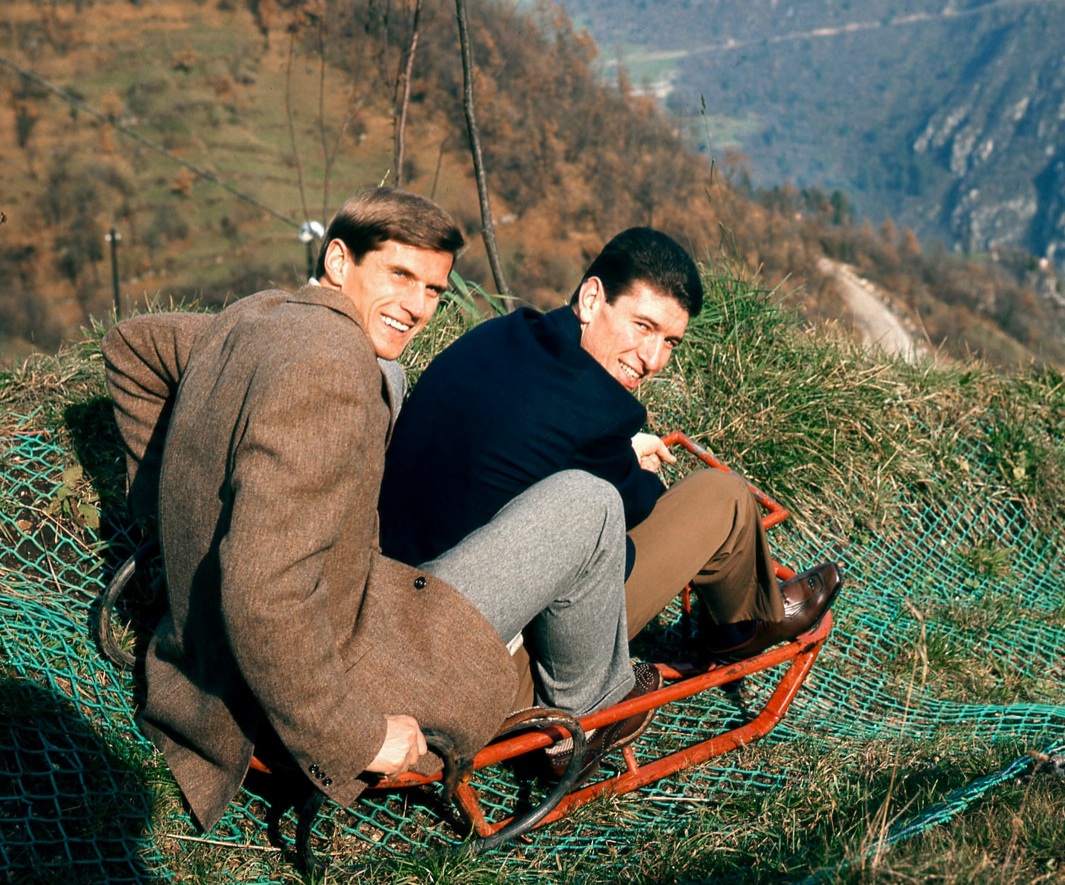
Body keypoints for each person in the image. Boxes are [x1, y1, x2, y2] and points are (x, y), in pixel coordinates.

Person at [102, 189, 654, 831]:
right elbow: (261, 596)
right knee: (588, 501)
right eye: (400, 276)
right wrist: (357, 739)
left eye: (433, 290)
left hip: (240, 641)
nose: (418, 308)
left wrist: (178, 514)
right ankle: (589, 716)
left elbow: (131, 348)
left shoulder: (261, 315)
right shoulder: (330, 371)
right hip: (335, 684)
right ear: (340, 261)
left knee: (388, 378)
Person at [379, 227, 843, 673]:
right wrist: (628, 462)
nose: (653, 359)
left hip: (392, 601)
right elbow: (636, 510)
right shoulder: (598, 411)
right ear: (592, 298)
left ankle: (744, 611)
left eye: (670, 342)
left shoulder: (503, 335)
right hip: (479, 661)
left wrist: (613, 453)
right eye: (643, 326)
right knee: (724, 497)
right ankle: (748, 621)